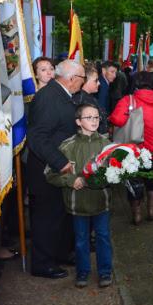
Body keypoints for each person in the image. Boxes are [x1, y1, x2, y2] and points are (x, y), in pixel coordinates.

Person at [26, 60, 86, 279]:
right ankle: (42, 264)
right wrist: (60, 162)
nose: (83, 83)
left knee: (59, 215)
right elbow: (37, 137)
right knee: (46, 218)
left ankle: (59, 254)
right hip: (47, 169)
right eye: (82, 78)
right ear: (71, 79)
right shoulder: (49, 97)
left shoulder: (60, 94)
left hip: (57, 168)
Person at [45, 104, 113, 288]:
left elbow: (115, 172)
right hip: (77, 204)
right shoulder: (67, 146)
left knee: (103, 237)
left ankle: (105, 271)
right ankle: (82, 272)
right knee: (81, 239)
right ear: (78, 121)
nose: (94, 121)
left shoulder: (107, 146)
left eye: (96, 117)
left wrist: (109, 177)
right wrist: (70, 180)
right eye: (88, 117)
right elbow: (50, 173)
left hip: (101, 202)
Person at [109, 72, 153, 225]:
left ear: (136, 84)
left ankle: (137, 214)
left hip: (134, 150)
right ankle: (152, 210)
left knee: (134, 181)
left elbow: (117, 119)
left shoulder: (128, 100)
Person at [73, 63, 108, 134]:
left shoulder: (88, 97)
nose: (99, 83)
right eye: (96, 80)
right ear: (85, 81)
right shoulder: (82, 100)